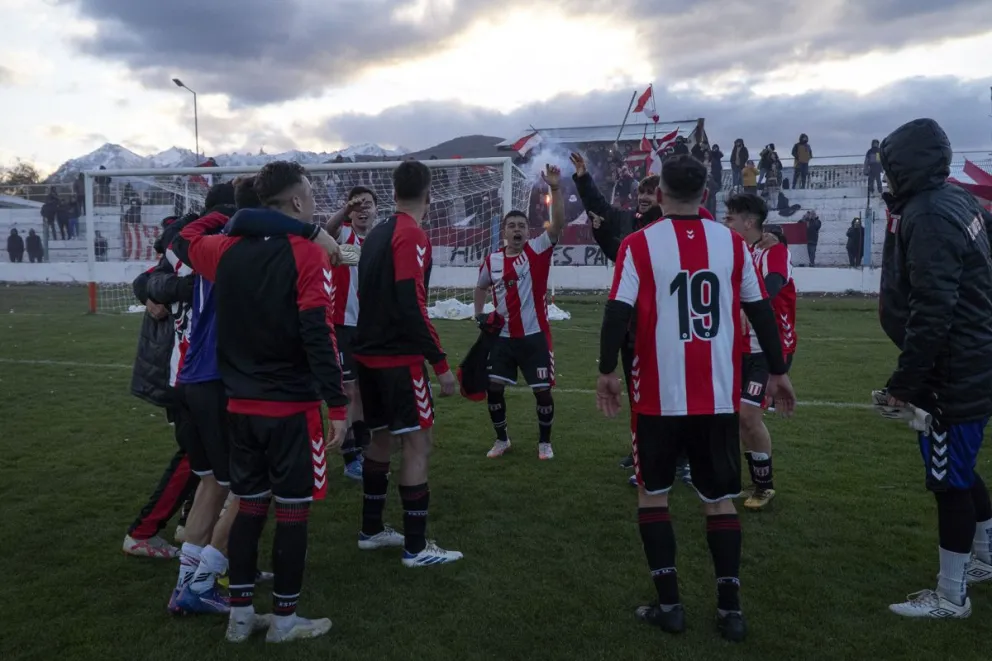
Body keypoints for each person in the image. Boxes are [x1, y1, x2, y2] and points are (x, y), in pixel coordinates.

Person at [596, 155, 796, 642]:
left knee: (653, 495)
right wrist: (779, 370)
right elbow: (761, 311)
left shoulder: (639, 243)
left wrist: (606, 371)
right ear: (705, 195)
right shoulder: (732, 243)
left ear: (661, 194)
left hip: (657, 397)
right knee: (718, 501)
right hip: (717, 397)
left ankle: (670, 607)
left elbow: (617, 311)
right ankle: (730, 611)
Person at [171, 161, 348, 643]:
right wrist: (337, 405)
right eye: (310, 195)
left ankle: (241, 618)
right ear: (297, 201)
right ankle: (284, 622)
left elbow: (182, 237)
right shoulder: (306, 253)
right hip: (291, 410)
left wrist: (243, 216)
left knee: (249, 509)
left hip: (241, 407)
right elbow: (318, 334)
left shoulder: (225, 249)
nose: (314, 204)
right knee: (291, 513)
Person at [877, 118, 992, 618]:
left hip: (952, 370)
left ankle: (951, 596)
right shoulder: (957, 199)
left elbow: (933, 307)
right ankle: (985, 556)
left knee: (948, 482)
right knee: (961, 470)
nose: (887, 177)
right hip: (972, 358)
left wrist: (907, 383)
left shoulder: (928, 213)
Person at [163, 181, 271, 616]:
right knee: (253, 487)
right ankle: (203, 583)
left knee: (213, 483)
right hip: (220, 380)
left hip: (189, 379)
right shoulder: (247, 249)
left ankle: (184, 586)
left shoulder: (206, 246)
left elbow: (177, 240)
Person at [353, 160, 463, 566]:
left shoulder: (376, 234)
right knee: (418, 444)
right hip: (399, 359)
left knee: (380, 439)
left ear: (394, 192)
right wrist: (440, 364)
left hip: (367, 355)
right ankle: (415, 549)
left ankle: (371, 529)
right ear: (429, 196)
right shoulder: (411, 234)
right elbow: (410, 303)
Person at [474, 165, 566, 460]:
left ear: (529, 231)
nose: (516, 229)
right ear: (504, 231)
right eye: (511, 225)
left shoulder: (538, 249)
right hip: (502, 337)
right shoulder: (492, 261)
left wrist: (555, 188)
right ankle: (502, 440)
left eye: (521, 226)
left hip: (535, 336)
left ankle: (545, 443)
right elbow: (480, 287)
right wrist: (479, 314)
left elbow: (558, 224)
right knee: (493, 388)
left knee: (542, 392)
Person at [123, 227, 198, 559]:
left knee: (209, 456)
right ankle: (144, 530)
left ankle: (189, 522)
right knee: (198, 454)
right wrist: (156, 294)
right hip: (187, 376)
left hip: (193, 374)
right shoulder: (189, 258)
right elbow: (147, 280)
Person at [723, 193, 797, 510]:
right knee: (740, 419)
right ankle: (755, 482)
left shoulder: (774, 250)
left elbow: (774, 284)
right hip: (741, 348)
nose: (725, 223)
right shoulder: (741, 251)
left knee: (749, 415)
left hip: (770, 348)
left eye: (730, 218)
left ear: (749, 222)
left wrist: (749, 306)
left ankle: (765, 486)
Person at [323, 186, 379, 480]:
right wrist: (345, 210)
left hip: (371, 327)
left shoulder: (380, 240)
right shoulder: (343, 235)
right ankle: (350, 457)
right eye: (357, 205)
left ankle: (364, 448)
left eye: (368, 204)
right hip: (342, 325)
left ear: (376, 209)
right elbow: (328, 230)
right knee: (348, 390)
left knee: (366, 392)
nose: (363, 209)